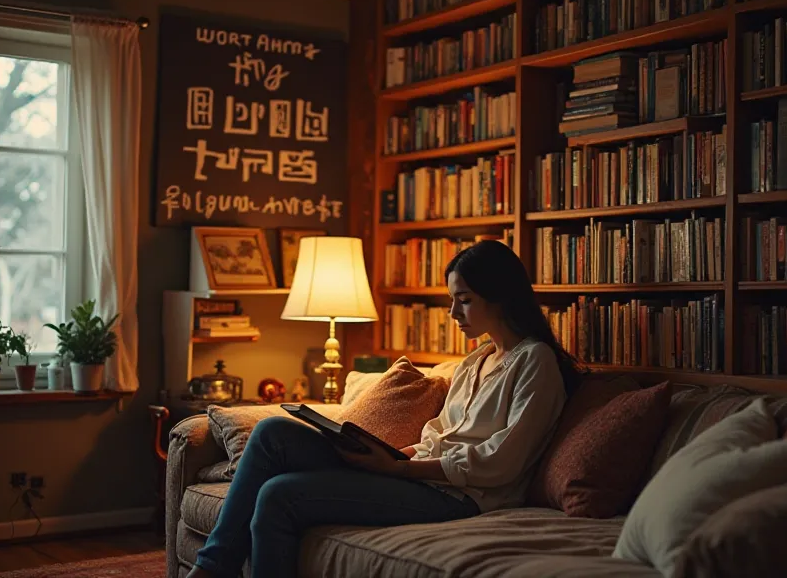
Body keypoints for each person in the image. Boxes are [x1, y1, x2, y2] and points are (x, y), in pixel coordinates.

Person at [187, 239, 584, 578]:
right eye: (452, 301)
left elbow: (502, 462)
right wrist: (385, 454)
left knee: (278, 495)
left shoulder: (535, 361)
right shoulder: (476, 361)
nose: (453, 314)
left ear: (500, 297)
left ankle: (209, 570)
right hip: (414, 473)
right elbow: (440, 432)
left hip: (461, 497)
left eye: (464, 301)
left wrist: (400, 469)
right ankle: (211, 568)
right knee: (272, 433)